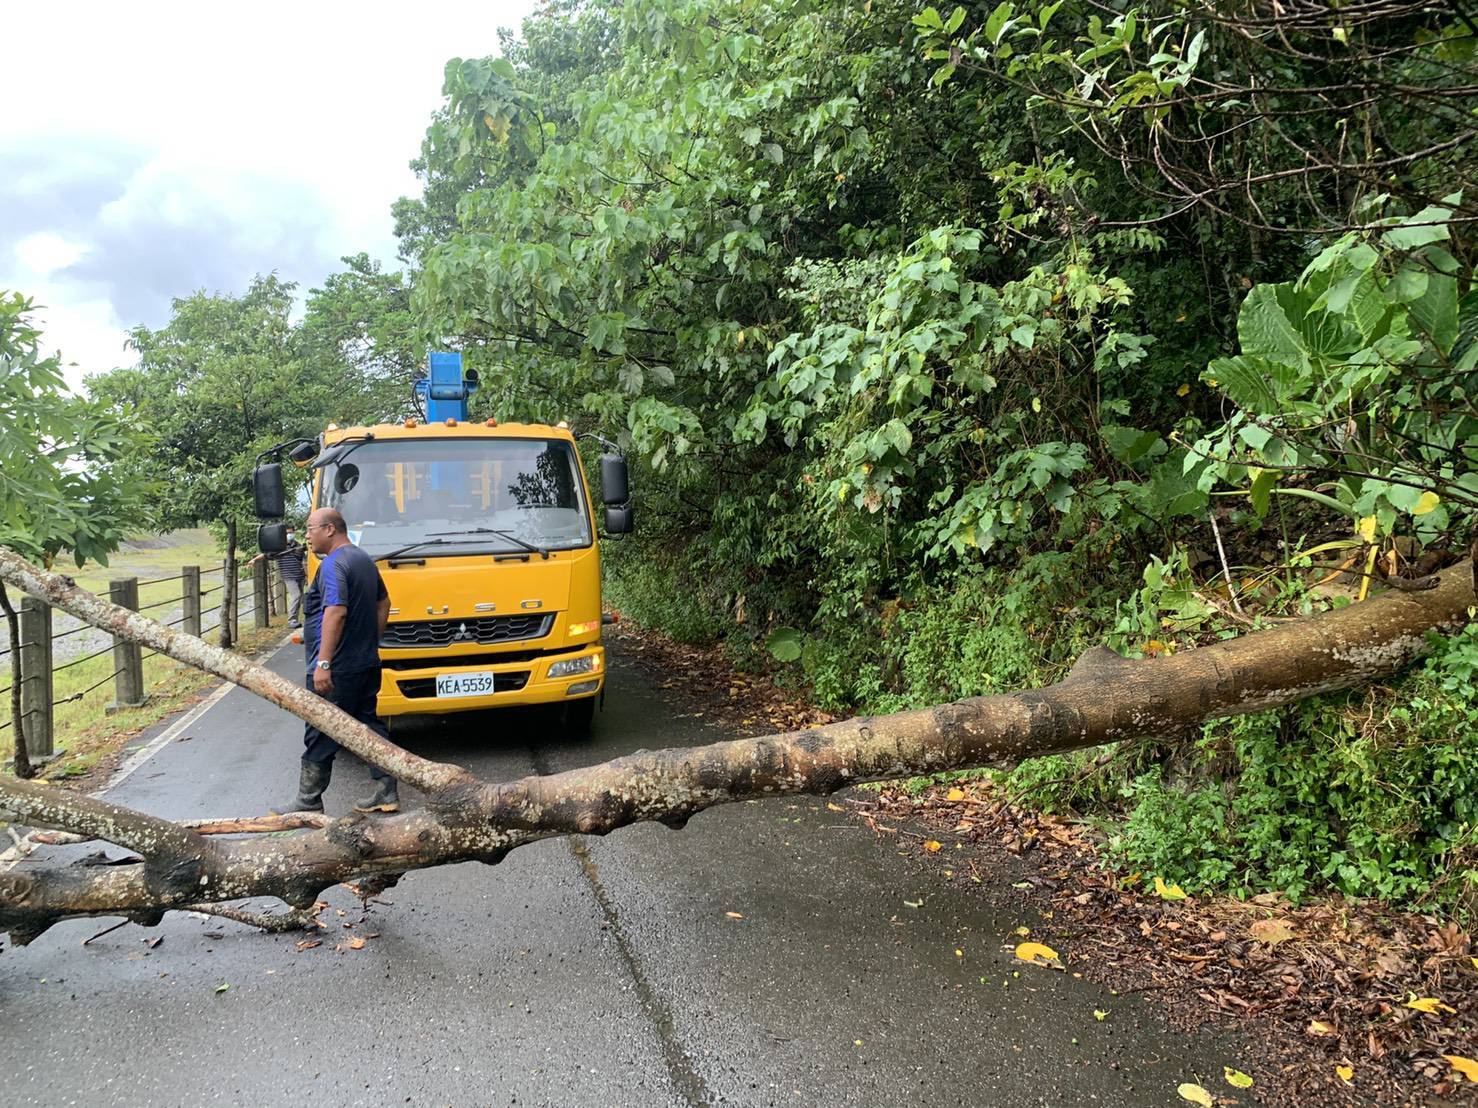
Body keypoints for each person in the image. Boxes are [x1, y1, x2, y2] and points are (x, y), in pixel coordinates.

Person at [276, 508, 399, 814]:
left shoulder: (333, 564)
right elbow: (384, 602)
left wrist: (324, 662)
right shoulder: (362, 559)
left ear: (329, 529)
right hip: (366, 662)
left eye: (310, 528)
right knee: (368, 726)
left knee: (321, 727)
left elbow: (336, 611)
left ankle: (308, 800)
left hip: (338, 669)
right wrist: (371, 641)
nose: (306, 535)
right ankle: (387, 790)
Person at [250, 530, 307, 628]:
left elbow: (304, 560)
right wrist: (254, 560)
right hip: (288, 576)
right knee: (296, 595)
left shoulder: (298, 545)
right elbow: (266, 554)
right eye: (287, 533)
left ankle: (296, 618)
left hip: (299, 575)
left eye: (291, 532)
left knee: (300, 597)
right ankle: (292, 620)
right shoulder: (279, 547)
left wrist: (306, 574)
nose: (290, 535)